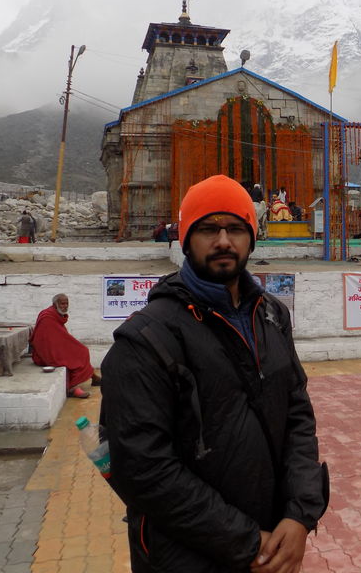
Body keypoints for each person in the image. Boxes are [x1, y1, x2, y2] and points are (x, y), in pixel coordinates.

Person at [100, 175, 328, 571]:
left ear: (252, 237)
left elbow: (297, 415)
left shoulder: (272, 315)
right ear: (186, 239)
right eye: (208, 229)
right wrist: (244, 540)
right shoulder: (146, 338)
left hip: (274, 542)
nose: (224, 240)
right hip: (187, 555)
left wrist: (299, 515)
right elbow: (142, 468)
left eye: (236, 228)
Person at [31, 294, 99, 398]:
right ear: (55, 304)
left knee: (82, 351)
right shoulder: (47, 316)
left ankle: (93, 377)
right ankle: (73, 388)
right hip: (45, 353)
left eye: (67, 303)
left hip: (55, 347)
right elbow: (44, 342)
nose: (65, 306)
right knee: (77, 355)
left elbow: (60, 336)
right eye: (62, 303)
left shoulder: (56, 314)